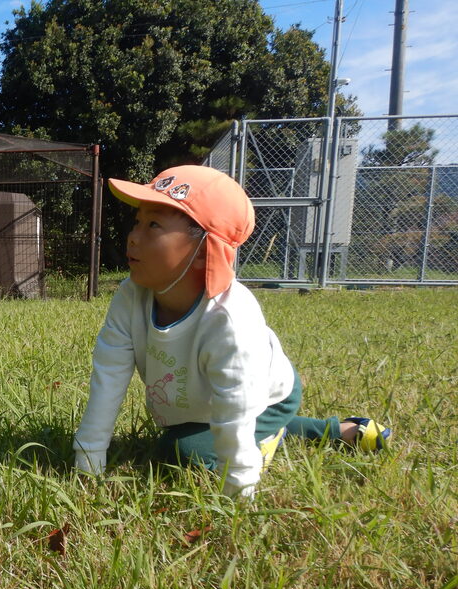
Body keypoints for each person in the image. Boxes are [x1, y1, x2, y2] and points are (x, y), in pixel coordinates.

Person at [73, 165, 389, 497]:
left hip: (263, 397)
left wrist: (238, 488)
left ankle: (272, 435)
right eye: (137, 222)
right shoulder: (130, 296)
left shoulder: (229, 319)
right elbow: (109, 375)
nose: (134, 236)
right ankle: (331, 430)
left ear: (203, 251)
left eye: (154, 225)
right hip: (200, 404)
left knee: (182, 452)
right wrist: (89, 460)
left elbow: (236, 404)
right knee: (186, 438)